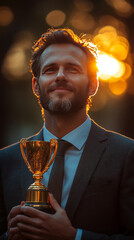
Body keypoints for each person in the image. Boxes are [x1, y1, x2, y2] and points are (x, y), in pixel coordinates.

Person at [0, 28, 134, 240]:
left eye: (72, 69)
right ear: (36, 85)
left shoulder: (127, 155)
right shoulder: (6, 160)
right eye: (50, 69)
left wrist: (74, 237)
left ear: (93, 85)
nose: (60, 76)